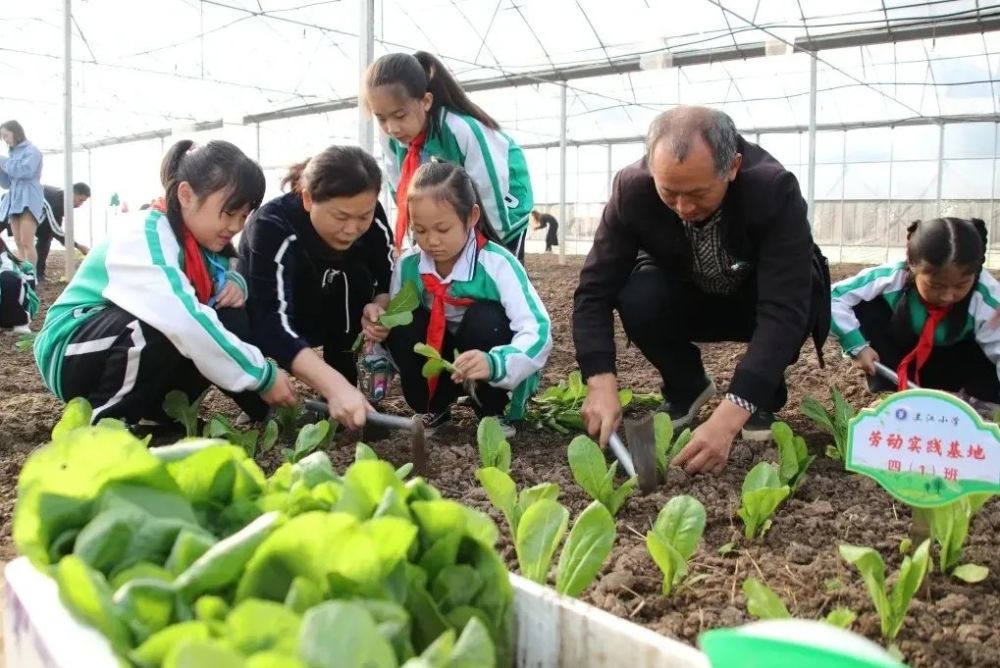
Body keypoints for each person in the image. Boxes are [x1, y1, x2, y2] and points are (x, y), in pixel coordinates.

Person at [572, 106, 830, 475]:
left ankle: (760, 398)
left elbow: (783, 309)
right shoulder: (632, 189)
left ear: (733, 167)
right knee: (639, 294)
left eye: (698, 193)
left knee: (803, 296)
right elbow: (594, 291)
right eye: (670, 192)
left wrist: (727, 420)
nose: (684, 207)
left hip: (755, 299)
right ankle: (686, 386)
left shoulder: (772, 189)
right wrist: (598, 380)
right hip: (687, 293)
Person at [33, 140, 297, 425]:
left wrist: (235, 281)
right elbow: (180, 318)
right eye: (229, 212)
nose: (236, 226)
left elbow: (229, 268)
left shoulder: (202, 245)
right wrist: (262, 374)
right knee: (166, 322)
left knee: (226, 312)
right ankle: (107, 423)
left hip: (121, 346)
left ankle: (168, 414)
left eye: (244, 216)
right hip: (72, 350)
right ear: (186, 194)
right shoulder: (144, 234)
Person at [362, 161, 552, 437]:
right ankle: (432, 407)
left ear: (471, 217)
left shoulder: (497, 264)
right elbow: (395, 325)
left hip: (487, 356)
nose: (432, 241)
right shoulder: (408, 266)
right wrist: (380, 330)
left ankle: (492, 410)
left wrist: (495, 363)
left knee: (486, 319)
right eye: (421, 230)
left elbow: (539, 330)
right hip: (440, 360)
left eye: (442, 229)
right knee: (404, 319)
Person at [238, 145, 393, 430]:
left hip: (330, 306)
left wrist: (380, 306)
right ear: (308, 199)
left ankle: (342, 385)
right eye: (341, 217)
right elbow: (271, 318)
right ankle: (257, 403)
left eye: (363, 216)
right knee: (234, 319)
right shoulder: (272, 226)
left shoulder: (369, 215)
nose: (352, 228)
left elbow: (386, 275)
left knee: (352, 278)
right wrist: (334, 386)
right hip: (272, 317)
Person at [364, 51, 534, 261]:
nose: (392, 127)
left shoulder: (461, 129)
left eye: (400, 115)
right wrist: (420, 235)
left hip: (504, 198)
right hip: (452, 200)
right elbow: (400, 189)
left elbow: (488, 190)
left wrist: (492, 254)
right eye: (381, 118)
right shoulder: (390, 137)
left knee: (495, 275)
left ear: (426, 101)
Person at [832, 217, 1000, 401]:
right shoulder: (894, 276)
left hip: (958, 363)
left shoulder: (987, 296)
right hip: (899, 360)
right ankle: (890, 393)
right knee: (867, 305)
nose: (947, 296)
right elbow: (834, 297)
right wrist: (857, 346)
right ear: (912, 265)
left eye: (960, 286)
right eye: (935, 286)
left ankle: (980, 404)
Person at [0, 120, 43, 266]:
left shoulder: (32, 151)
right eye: (3, 137)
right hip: (14, 199)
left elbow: (24, 171)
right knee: (18, 241)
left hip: (29, 197)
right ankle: (23, 275)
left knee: (26, 241)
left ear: (16, 132)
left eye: (6, 135)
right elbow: (7, 183)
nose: (5, 140)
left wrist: (2, 162)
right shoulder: (11, 154)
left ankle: (31, 276)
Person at [36, 182, 92, 282]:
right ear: (72, 193)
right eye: (80, 200)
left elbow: (55, 226)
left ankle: (38, 273)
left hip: (37, 214)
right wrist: (78, 246)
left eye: (83, 202)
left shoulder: (63, 199)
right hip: (15, 207)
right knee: (45, 237)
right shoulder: (57, 202)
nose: (80, 204)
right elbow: (56, 229)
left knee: (46, 236)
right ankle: (36, 273)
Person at [0, 236, 38, 334]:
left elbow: (10, 281)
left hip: (20, 306)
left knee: (8, 277)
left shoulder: (6, 262)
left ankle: (20, 323)